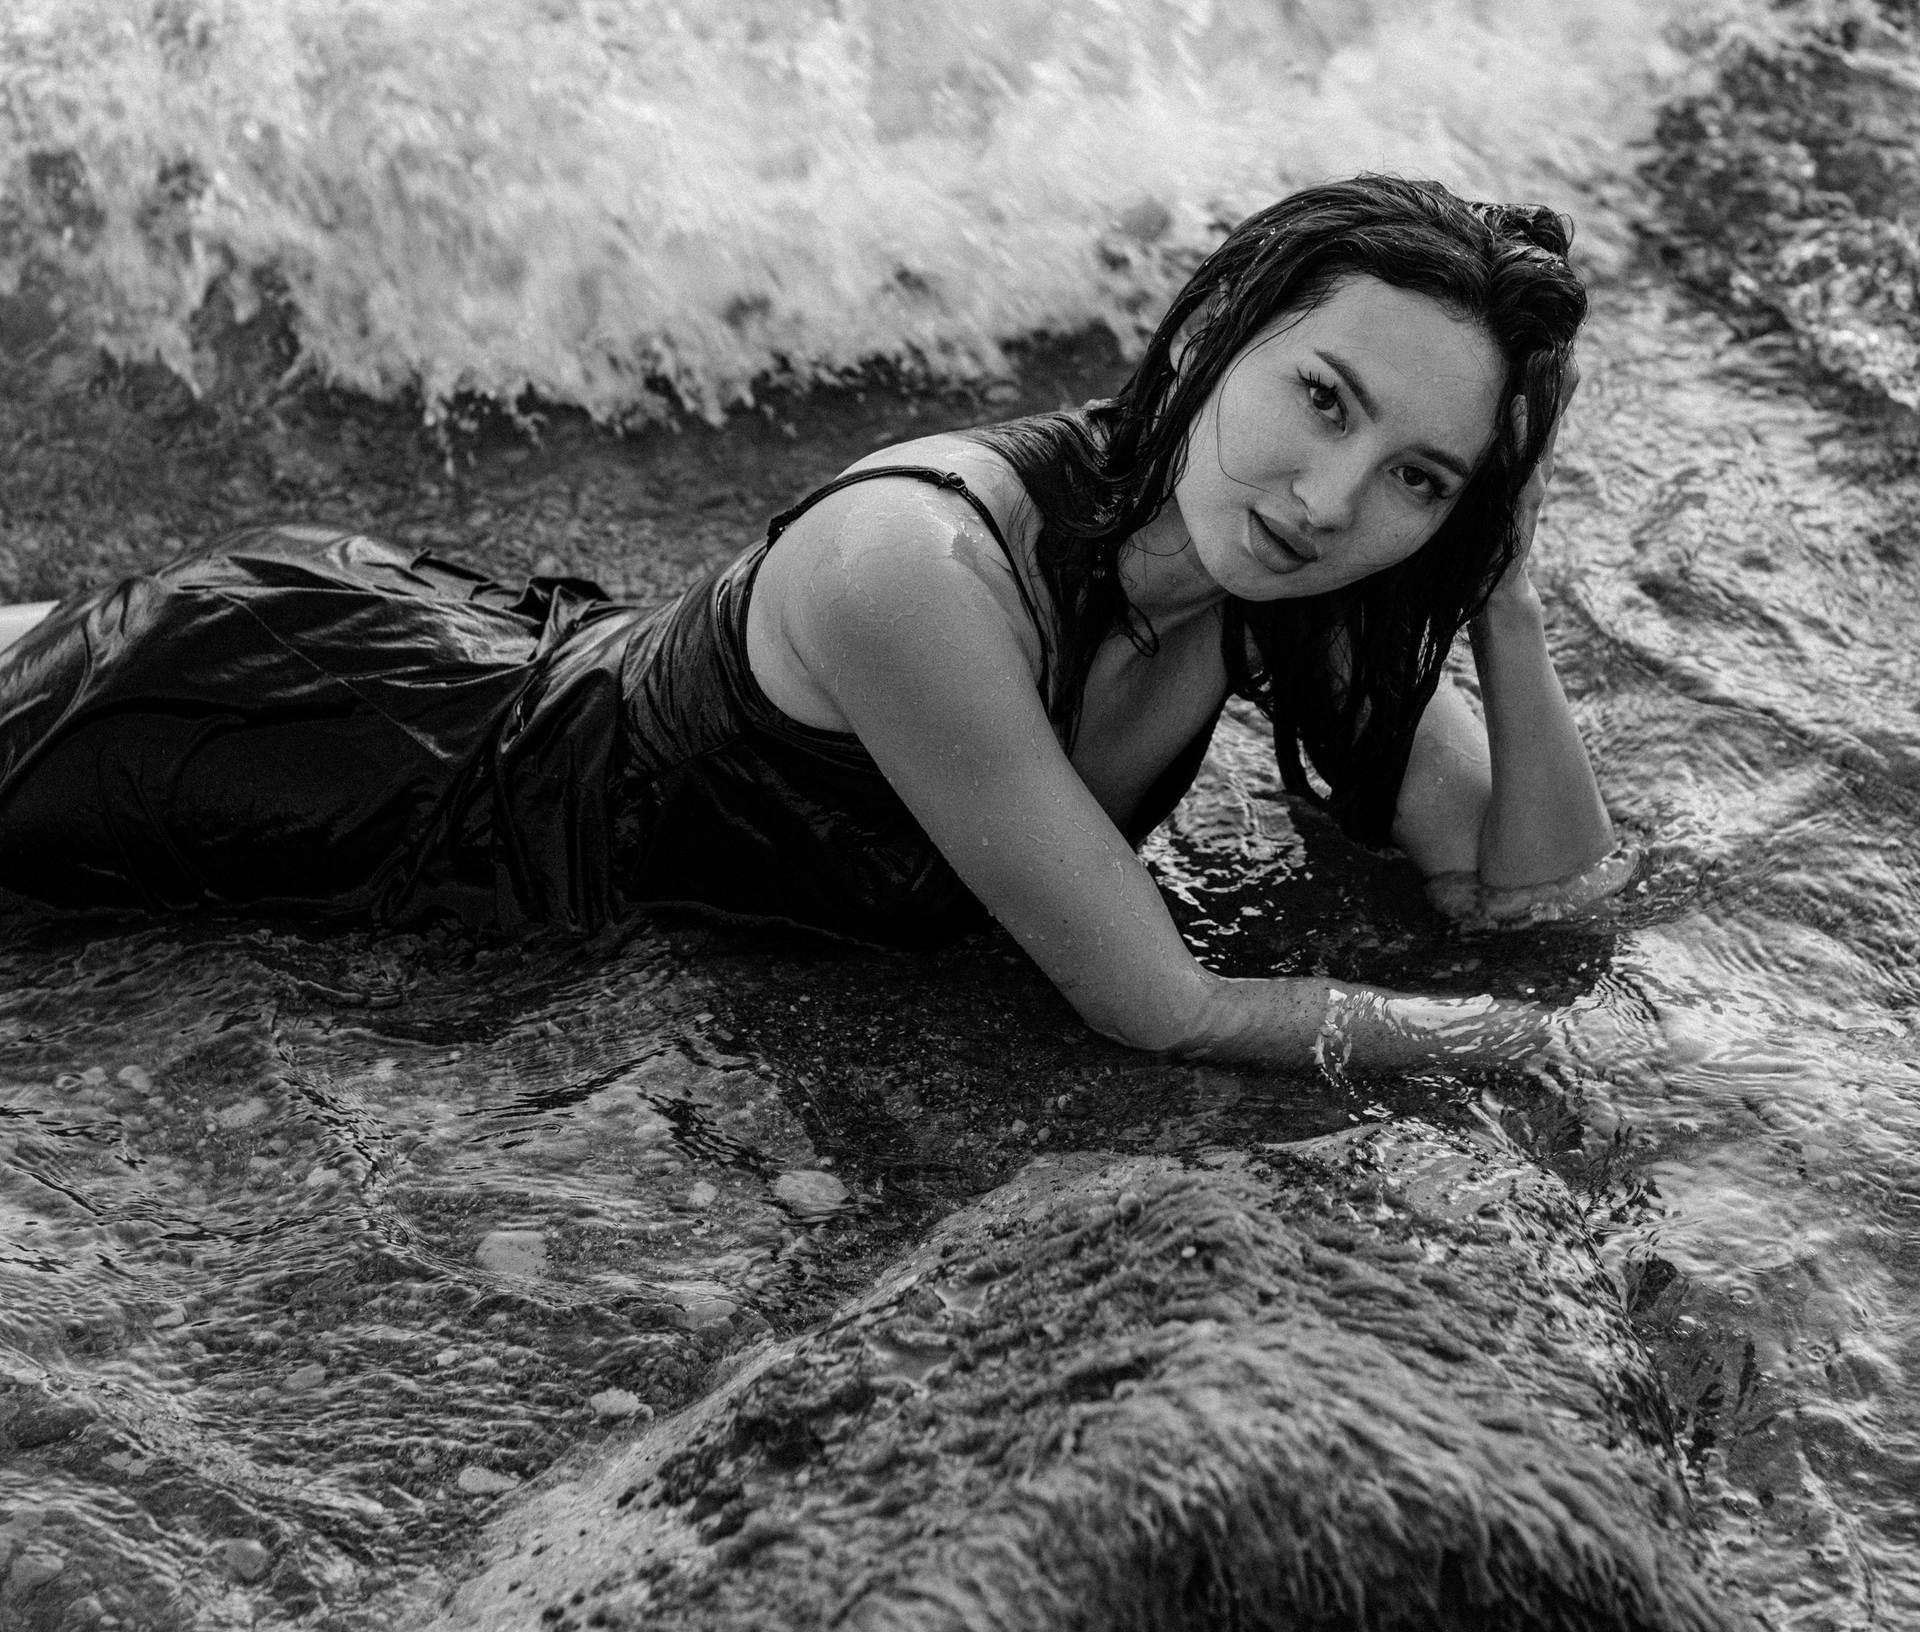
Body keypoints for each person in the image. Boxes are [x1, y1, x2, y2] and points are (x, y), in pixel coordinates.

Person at [0, 175, 1614, 1071]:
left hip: (453, 684)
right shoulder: (918, 567)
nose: (1333, 495)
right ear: (1214, 341)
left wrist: (1502, 600)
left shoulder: (1281, 566)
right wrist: (1525, 1049)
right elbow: (1161, 1005)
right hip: (298, 742)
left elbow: (1530, 892)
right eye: (1322, 398)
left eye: (1418, 478)